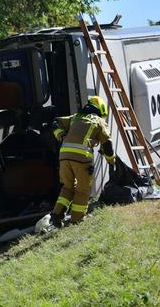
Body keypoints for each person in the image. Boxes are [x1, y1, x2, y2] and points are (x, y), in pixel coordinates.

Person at [50, 95, 116, 227]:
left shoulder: (75, 117)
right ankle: (77, 220)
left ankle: (57, 214)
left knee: (68, 187)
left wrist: (61, 135)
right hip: (81, 159)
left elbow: (55, 123)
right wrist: (111, 160)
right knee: (83, 189)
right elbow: (107, 144)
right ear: (100, 111)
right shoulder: (98, 121)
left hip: (64, 156)